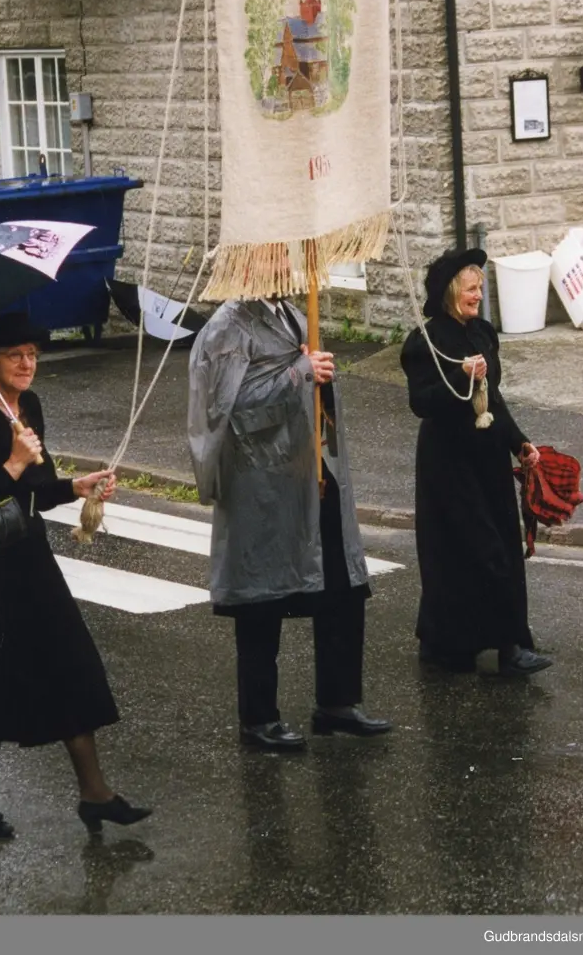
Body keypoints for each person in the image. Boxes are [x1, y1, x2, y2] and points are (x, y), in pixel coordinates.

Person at [0, 311, 151, 838]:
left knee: (68, 659)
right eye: (15, 355)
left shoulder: (28, 406)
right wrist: (10, 463)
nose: (28, 363)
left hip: (28, 557)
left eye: (33, 353)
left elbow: (36, 488)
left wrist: (75, 486)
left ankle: (95, 793)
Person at [188, 295, 392, 751]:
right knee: (261, 596)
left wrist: (310, 371)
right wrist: (300, 373)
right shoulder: (229, 325)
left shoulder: (294, 313)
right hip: (262, 481)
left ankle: (338, 702)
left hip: (312, 467)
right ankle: (258, 718)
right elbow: (229, 410)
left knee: (341, 582)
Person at [399, 249, 552, 676]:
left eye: (480, 287)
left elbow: (494, 399)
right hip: (448, 462)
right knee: (467, 550)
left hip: (485, 457)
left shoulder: (484, 333)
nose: (478, 295)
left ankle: (498, 643)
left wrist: (519, 443)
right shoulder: (426, 341)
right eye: (471, 288)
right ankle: (481, 644)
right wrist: (461, 377)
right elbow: (421, 403)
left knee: (502, 543)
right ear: (451, 291)